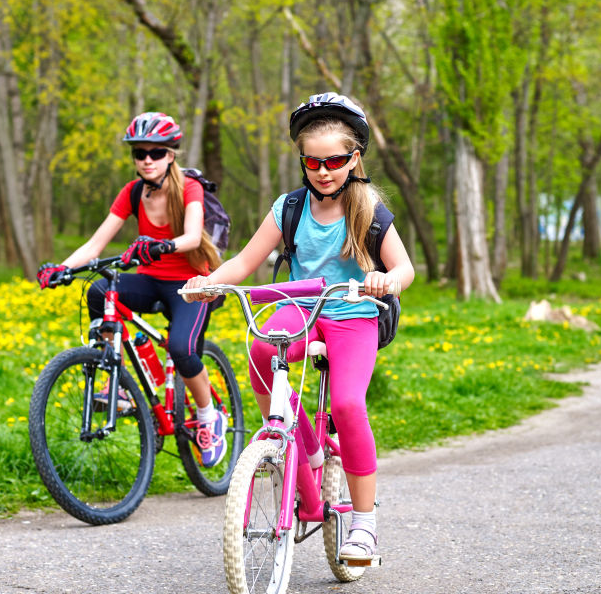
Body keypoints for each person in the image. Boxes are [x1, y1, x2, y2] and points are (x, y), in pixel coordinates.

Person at [182, 92, 415, 559]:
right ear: (303, 162)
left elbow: (405, 270)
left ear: (355, 158)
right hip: (301, 307)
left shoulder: (367, 207)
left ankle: (364, 523)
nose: (324, 171)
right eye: (313, 162)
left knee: (348, 404)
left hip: (353, 314)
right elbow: (246, 261)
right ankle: (305, 448)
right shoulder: (288, 208)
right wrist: (208, 282)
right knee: (261, 351)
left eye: (334, 160)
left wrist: (383, 280)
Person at [37, 111, 228, 468]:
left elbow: (190, 236)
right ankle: (115, 381)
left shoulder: (189, 187)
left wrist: (161, 246)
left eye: (155, 153)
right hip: (152, 279)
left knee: (182, 349)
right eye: (139, 153)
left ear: (171, 154)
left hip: (192, 284)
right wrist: (62, 268)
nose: (146, 160)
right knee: (98, 292)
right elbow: (96, 245)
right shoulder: (134, 191)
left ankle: (208, 417)